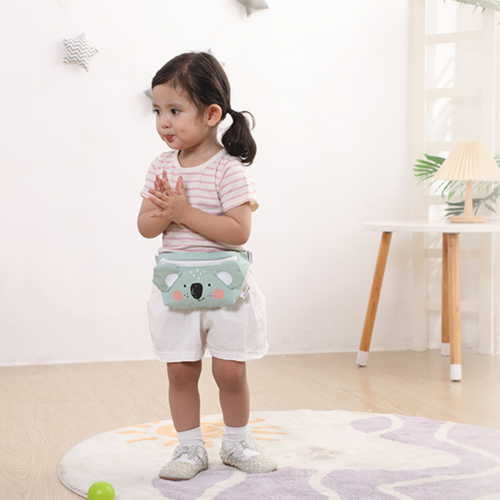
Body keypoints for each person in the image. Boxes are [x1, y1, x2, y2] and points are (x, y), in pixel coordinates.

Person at [137, 52, 276, 481]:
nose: (164, 122)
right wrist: (165, 213)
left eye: (175, 111)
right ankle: (189, 448)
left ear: (212, 114)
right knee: (180, 370)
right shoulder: (160, 167)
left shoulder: (228, 169)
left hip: (226, 290)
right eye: (158, 111)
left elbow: (238, 231)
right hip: (176, 286)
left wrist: (184, 211)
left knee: (230, 371)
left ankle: (237, 443)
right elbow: (145, 226)